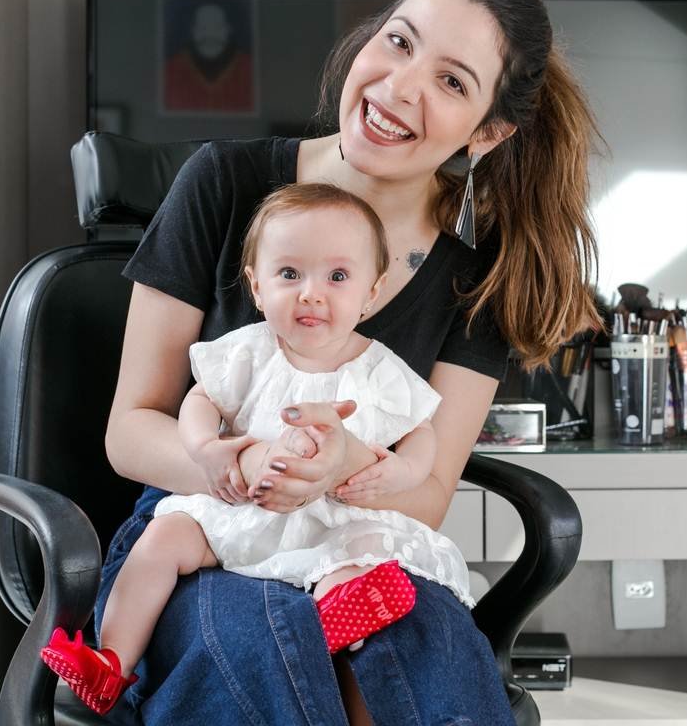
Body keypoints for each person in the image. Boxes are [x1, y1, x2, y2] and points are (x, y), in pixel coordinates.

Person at [99, 0, 605, 725]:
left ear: (490, 132)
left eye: (452, 82)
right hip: (201, 532)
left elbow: (426, 497)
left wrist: (346, 467)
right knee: (264, 650)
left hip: (359, 546)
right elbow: (132, 427)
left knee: (426, 660)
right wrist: (233, 464)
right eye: (399, 42)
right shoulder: (222, 184)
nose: (401, 87)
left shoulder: (480, 280)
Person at [43, 184, 474, 715]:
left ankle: (343, 617)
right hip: (242, 508)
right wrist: (206, 448)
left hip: (331, 519)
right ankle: (111, 661)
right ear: (256, 285)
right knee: (163, 538)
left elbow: (421, 432)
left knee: (359, 558)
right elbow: (201, 399)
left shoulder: (379, 369)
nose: (310, 294)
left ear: (371, 292)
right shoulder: (247, 352)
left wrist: (402, 473)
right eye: (289, 275)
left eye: (337, 277)